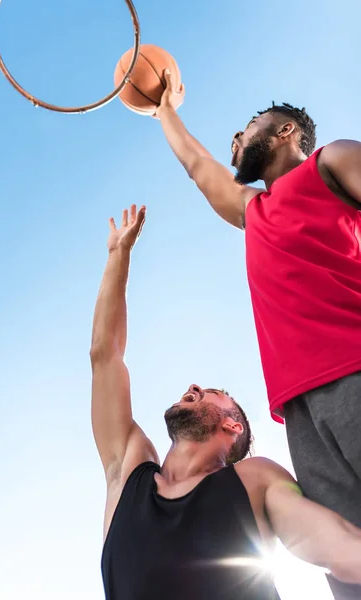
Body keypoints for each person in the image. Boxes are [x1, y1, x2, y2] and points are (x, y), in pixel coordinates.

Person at [156, 71, 361, 600]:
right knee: (347, 562)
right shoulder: (255, 211)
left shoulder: (330, 162)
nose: (237, 139)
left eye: (250, 127)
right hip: (301, 413)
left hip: (355, 367)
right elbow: (200, 168)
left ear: (285, 130)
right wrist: (162, 109)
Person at [90, 205, 361, 600]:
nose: (195, 385)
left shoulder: (256, 480)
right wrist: (119, 255)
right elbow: (105, 355)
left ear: (232, 426)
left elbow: (336, 545)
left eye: (215, 392)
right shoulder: (127, 472)